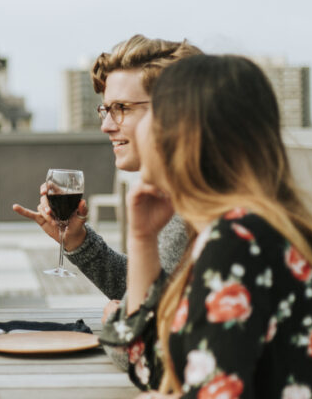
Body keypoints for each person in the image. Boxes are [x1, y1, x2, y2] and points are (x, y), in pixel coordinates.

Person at [101, 55, 312, 399]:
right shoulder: (233, 232)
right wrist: (142, 239)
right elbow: (148, 366)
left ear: (183, 136)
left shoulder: (239, 242)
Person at [12, 35, 198, 299]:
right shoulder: (179, 187)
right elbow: (149, 288)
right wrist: (78, 240)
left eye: (122, 108)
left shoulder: (206, 199)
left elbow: (156, 317)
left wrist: (120, 319)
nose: (106, 126)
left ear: (175, 110)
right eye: (106, 110)